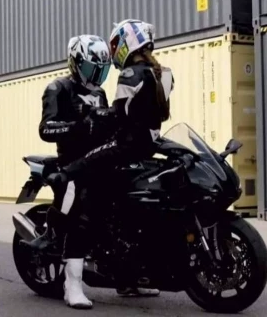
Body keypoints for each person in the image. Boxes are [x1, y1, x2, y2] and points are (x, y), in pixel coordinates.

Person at [50, 19, 175, 309]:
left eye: (117, 44)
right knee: (85, 203)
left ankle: (128, 277)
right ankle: (72, 284)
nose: (114, 51)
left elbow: (118, 116)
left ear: (128, 43)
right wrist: (85, 124)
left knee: (125, 208)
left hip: (126, 148)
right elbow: (154, 116)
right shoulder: (165, 74)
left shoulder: (128, 75)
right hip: (139, 148)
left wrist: (98, 118)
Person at [22, 34, 112, 253]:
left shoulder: (100, 93)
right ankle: (51, 237)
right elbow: (45, 128)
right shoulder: (58, 88)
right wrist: (78, 126)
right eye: (92, 69)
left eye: (101, 70)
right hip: (71, 160)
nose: (96, 75)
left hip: (98, 158)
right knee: (72, 190)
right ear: (76, 62)